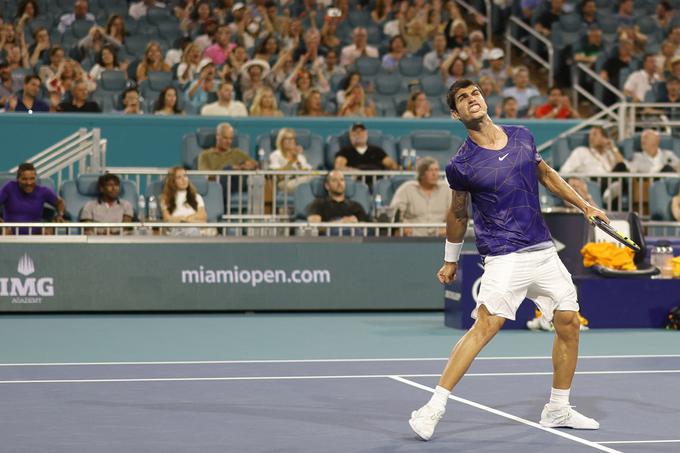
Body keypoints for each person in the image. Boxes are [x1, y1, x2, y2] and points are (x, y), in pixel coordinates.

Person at [408, 79, 605, 441]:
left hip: (543, 250)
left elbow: (546, 175)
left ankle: (558, 408)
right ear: (456, 113)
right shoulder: (461, 164)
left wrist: (584, 205)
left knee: (568, 322)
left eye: (476, 93)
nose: (472, 100)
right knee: (487, 325)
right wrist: (450, 260)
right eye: (463, 99)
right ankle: (432, 407)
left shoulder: (522, 136)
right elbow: (457, 213)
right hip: (503, 254)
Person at [390, 157, 450, 236]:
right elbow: (395, 213)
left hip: (440, 236)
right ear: (421, 174)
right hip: (412, 236)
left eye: (436, 170)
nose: (434, 174)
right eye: (430, 170)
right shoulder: (407, 189)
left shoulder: (447, 190)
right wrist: (403, 225)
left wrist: (450, 227)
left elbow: (456, 214)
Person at [0, 163, 66, 234]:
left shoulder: (43, 191)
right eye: (24, 179)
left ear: (35, 178)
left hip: (35, 233)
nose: (29, 183)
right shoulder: (9, 187)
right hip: (9, 234)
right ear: (18, 179)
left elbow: (60, 202)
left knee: (48, 231)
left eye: (32, 179)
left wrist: (60, 214)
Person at [160, 166, 212, 236]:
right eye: (179, 177)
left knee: (192, 230)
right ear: (172, 181)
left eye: (185, 176)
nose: (184, 179)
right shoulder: (166, 198)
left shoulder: (196, 196)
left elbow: (203, 216)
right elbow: (167, 218)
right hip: (176, 229)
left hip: (194, 228)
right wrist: (188, 219)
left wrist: (185, 219)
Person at [334, 122, 399, 171]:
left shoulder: (377, 151)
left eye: (361, 132)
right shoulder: (345, 151)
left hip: (377, 181)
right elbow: (338, 167)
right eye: (355, 132)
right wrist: (355, 172)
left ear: (366, 134)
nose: (359, 134)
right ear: (350, 136)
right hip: (356, 183)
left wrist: (397, 167)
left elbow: (391, 164)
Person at [269, 128, 314, 193]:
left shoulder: (300, 156)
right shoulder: (276, 155)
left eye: (292, 138)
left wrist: (298, 160)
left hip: (300, 179)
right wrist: (293, 160)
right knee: (295, 185)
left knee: (313, 177)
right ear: (281, 141)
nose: (290, 141)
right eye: (287, 139)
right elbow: (278, 175)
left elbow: (307, 170)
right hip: (285, 182)